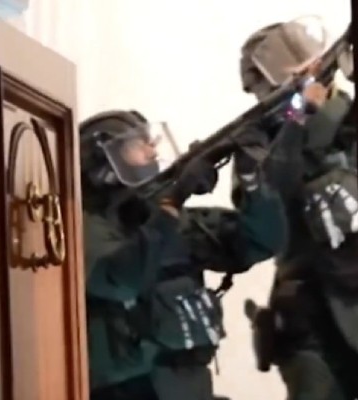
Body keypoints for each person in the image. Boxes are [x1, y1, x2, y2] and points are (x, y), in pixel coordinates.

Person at [80, 109, 287, 400]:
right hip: (128, 391)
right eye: (137, 146)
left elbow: (263, 241)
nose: (152, 153)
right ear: (103, 163)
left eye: (150, 143)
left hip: (189, 385)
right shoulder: (85, 228)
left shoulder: (171, 219)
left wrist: (251, 177)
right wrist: (175, 198)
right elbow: (122, 279)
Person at [237, 21, 358, 400]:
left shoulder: (351, 115)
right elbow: (271, 201)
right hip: (309, 314)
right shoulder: (258, 142)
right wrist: (298, 117)